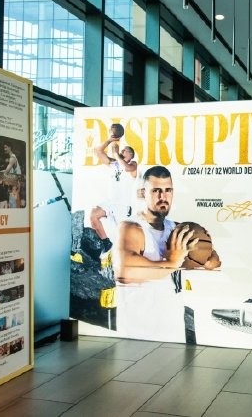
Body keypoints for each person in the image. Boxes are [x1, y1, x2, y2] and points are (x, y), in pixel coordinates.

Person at [113, 165, 197, 341]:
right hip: (139, 335)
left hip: (173, 331)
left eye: (168, 190)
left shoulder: (176, 228)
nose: (163, 197)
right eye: (156, 190)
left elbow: (203, 260)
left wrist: (205, 257)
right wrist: (172, 262)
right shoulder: (131, 227)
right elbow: (125, 272)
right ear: (143, 193)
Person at [90, 123, 138, 253]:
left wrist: (116, 154)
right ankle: (106, 242)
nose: (122, 151)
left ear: (131, 155)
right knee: (93, 215)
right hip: (111, 203)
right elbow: (97, 151)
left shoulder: (133, 165)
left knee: (124, 242)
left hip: (123, 207)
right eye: (122, 150)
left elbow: (127, 168)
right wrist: (110, 140)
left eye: (125, 150)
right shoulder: (114, 163)